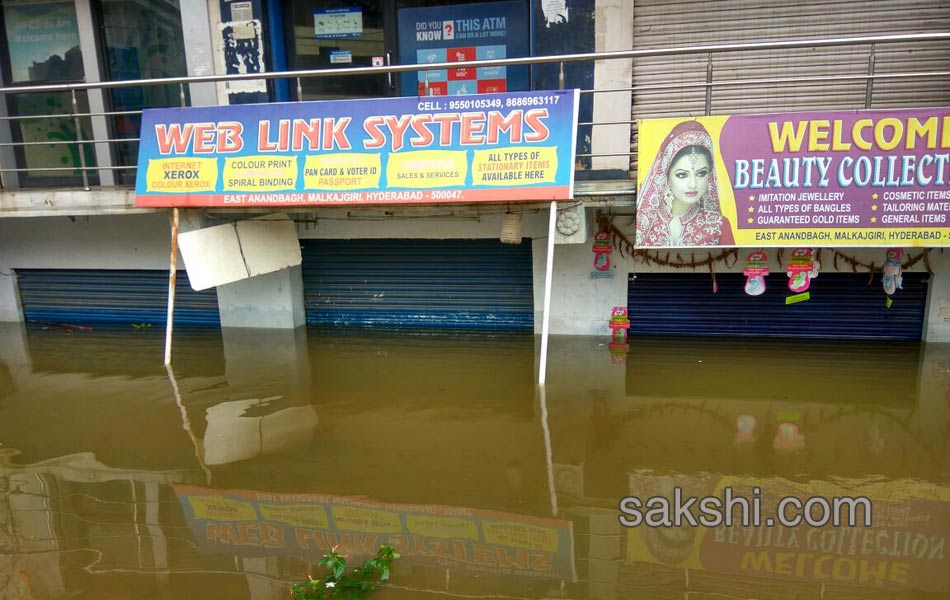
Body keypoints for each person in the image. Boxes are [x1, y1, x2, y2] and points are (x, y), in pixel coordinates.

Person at [636, 120, 734, 247]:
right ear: (666, 177)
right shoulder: (644, 224)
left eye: (701, 173)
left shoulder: (719, 225)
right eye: (682, 175)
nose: (693, 184)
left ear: (709, 176)